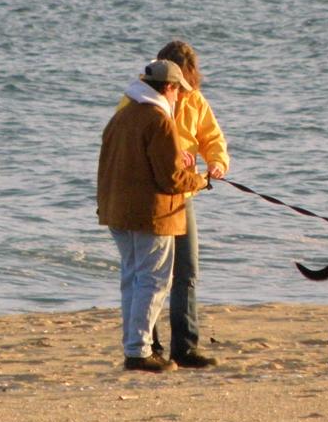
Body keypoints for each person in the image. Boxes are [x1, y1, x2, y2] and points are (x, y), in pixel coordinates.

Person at [97, 59, 210, 372]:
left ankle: (135, 347)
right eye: (178, 92)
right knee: (153, 280)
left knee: (132, 280)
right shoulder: (159, 119)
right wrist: (201, 179)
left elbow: (114, 162)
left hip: (117, 210)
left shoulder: (122, 116)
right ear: (170, 88)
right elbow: (171, 179)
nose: (178, 99)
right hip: (151, 214)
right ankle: (139, 351)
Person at [151, 40, 230, 368]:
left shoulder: (196, 101)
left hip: (184, 196)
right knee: (153, 274)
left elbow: (212, 138)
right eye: (174, 81)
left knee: (187, 271)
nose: (179, 88)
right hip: (153, 196)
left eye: (185, 80)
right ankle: (149, 346)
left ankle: (185, 346)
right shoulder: (143, 102)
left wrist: (217, 163)